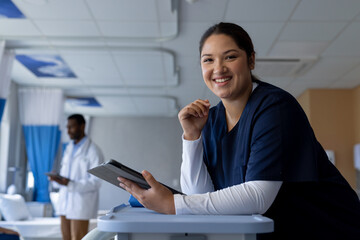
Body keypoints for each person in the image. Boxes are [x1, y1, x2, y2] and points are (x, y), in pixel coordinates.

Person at [117, 22, 360, 240]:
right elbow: (198, 193)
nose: (218, 68)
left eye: (230, 57)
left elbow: (258, 197)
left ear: (251, 60)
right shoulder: (210, 120)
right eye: (208, 60)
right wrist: (192, 138)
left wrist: (173, 204)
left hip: (331, 230)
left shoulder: (274, 107)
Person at [49, 114, 104, 240]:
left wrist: (70, 184)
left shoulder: (93, 151)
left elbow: (96, 182)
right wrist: (57, 180)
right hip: (65, 203)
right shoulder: (69, 148)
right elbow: (66, 175)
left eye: (71, 127)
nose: (68, 131)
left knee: (78, 238)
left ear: (82, 126)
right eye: (67, 127)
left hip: (80, 205)